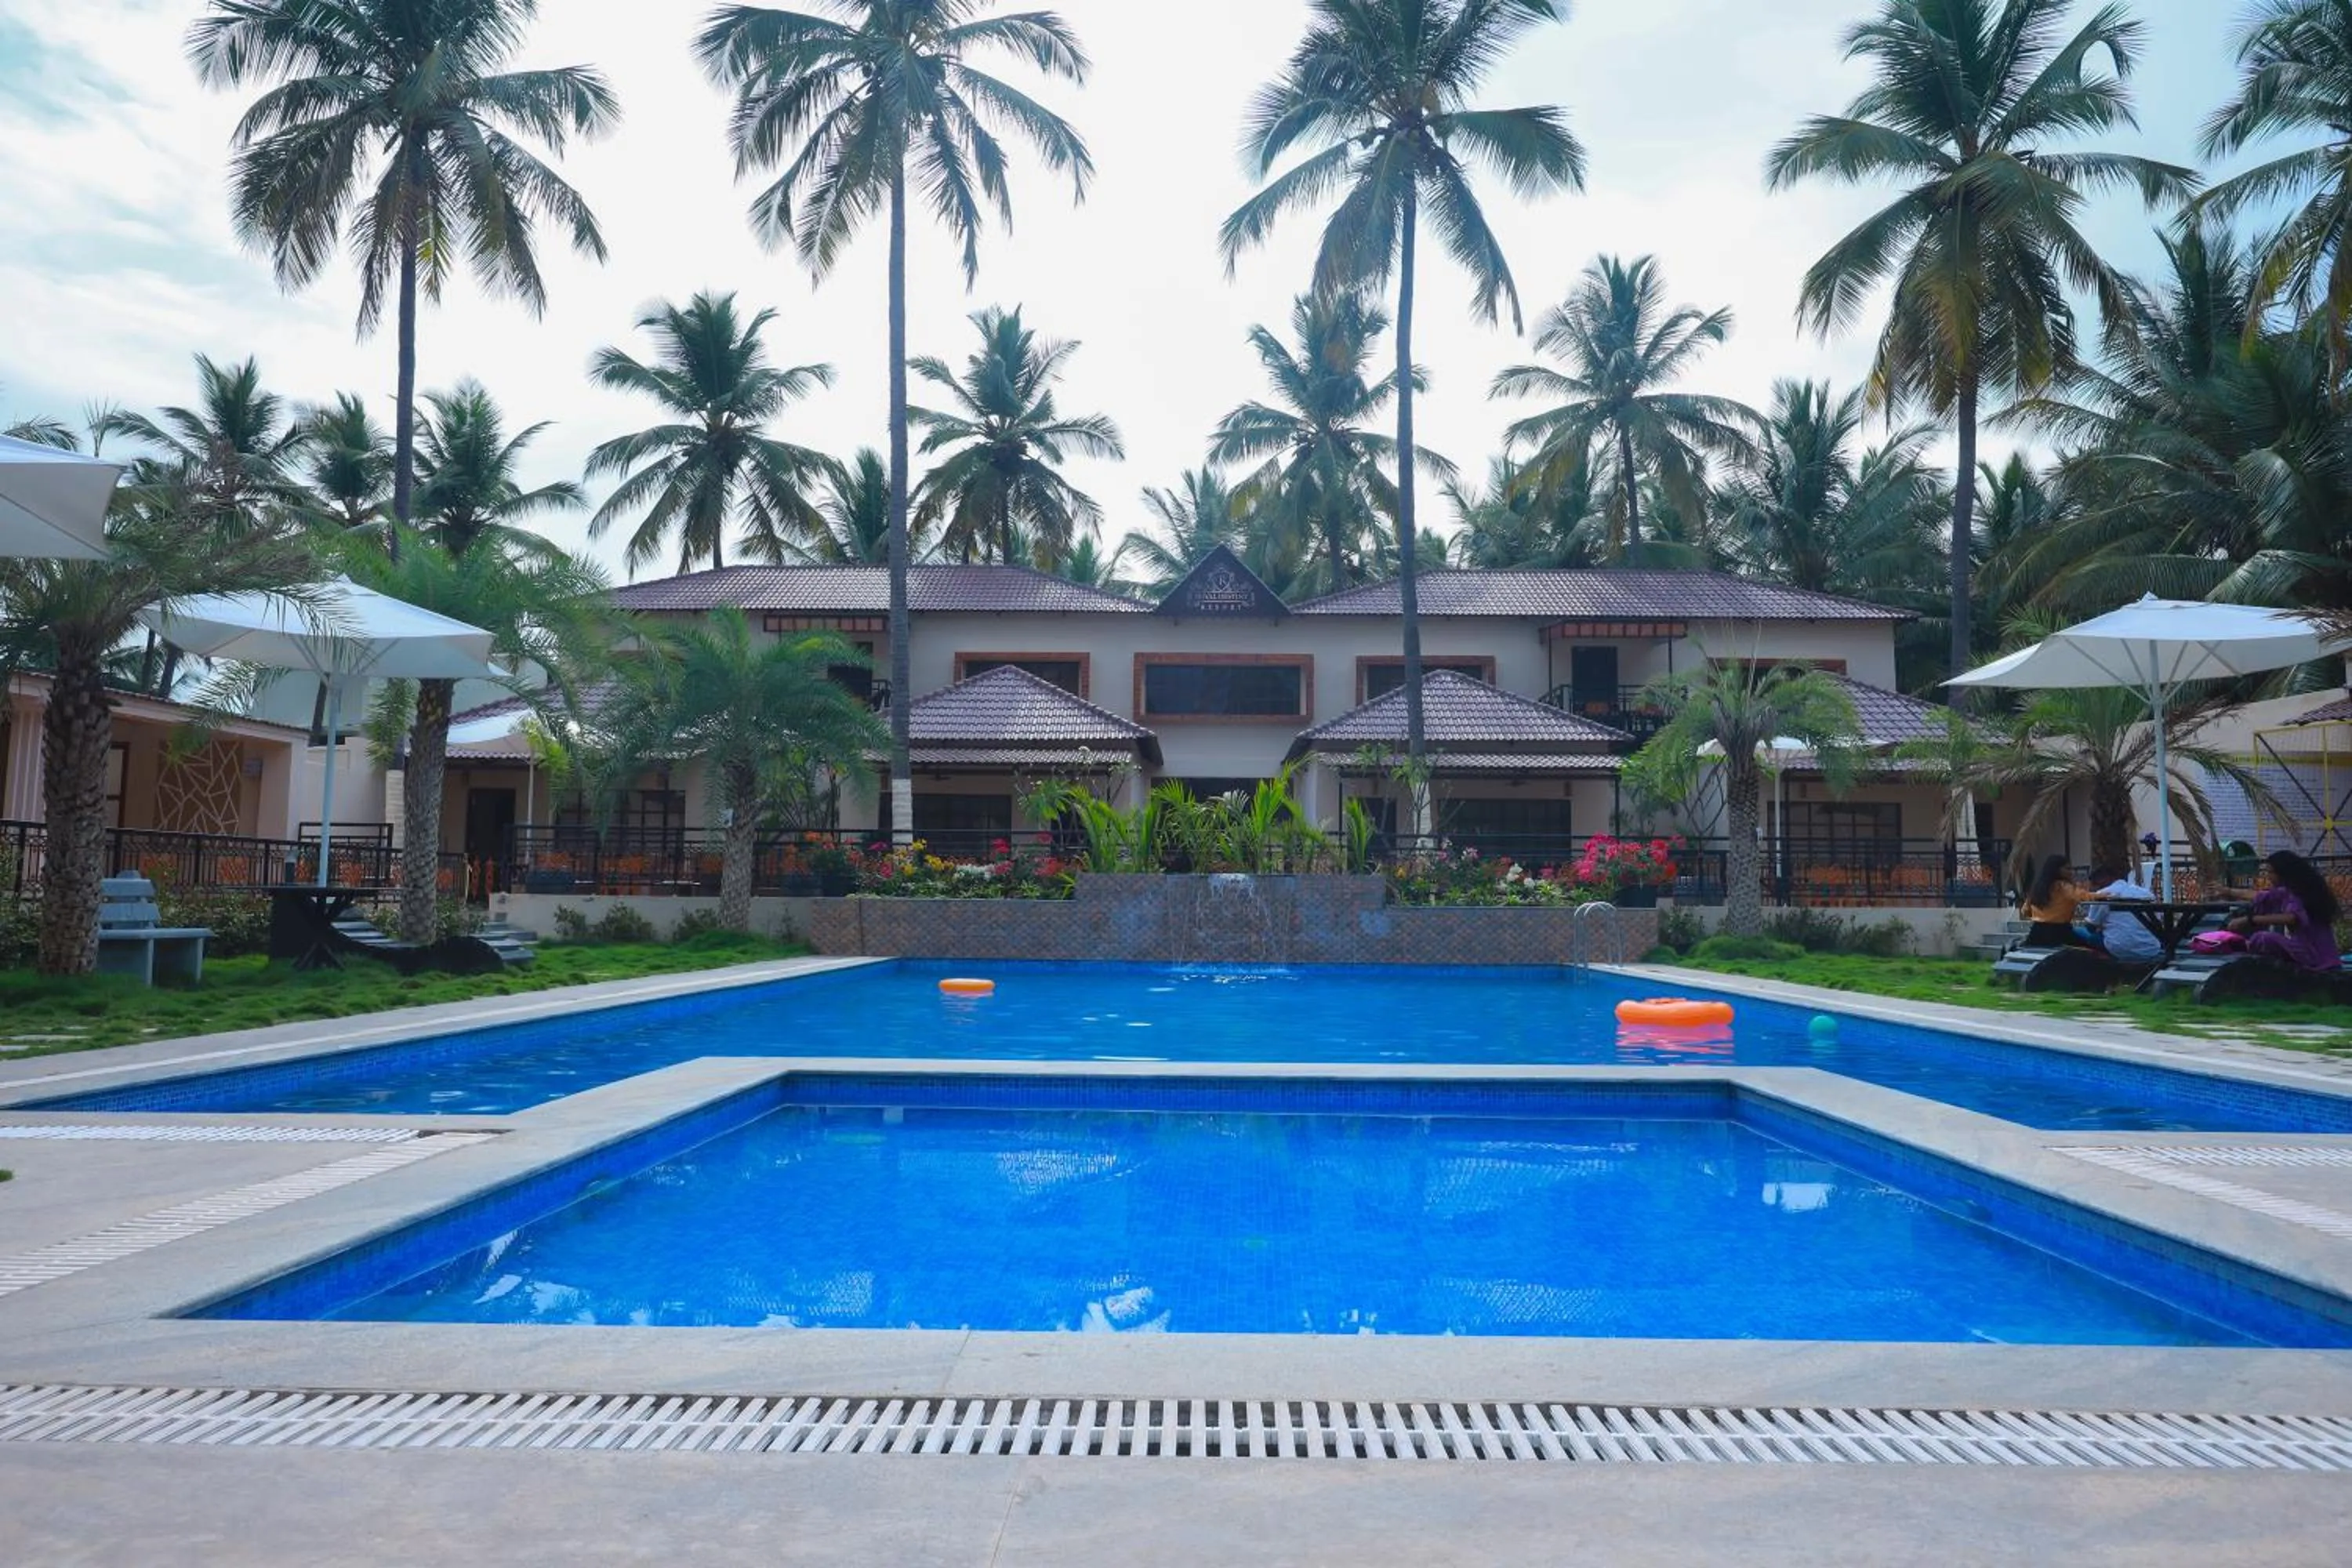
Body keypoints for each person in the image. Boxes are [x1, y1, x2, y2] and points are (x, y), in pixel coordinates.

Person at [2227, 851, 2344, 975]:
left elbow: (2292, 918)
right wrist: (2227, 891)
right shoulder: (2289, 890)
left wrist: (2249, 920)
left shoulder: (2298, 892)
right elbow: (2260, 896)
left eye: (2271, 872)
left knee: (2262, 938)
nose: (2268, 876)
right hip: (2315, 954)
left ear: (2283, 873)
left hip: (2314, 956)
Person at [2082, 866, 2163, 967]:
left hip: (2119, 949)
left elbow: (2091, 926)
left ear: (2103, 878)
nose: (2093, 888)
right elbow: (2157, 921)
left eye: (2094, 884)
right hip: (2150, 948)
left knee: (2087, 935)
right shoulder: (2146, 893)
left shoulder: (2103, 895)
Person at [2019, 853, 2096, 949]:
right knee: (2090, 951)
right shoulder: (2063, 886)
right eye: (2067, 869)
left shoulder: (2038, 887)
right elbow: (2084, 897)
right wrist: (2107, 895)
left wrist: (2042, 915)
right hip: (2059, 934)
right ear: (2057, 870)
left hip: (2036, 934)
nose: (2071, 872)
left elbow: (2025, 911)